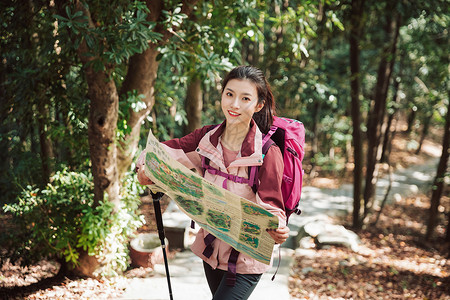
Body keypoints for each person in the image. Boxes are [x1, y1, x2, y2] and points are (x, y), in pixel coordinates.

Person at [136, 65, 290, 300]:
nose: (234, 104)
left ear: (259, 105)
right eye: (229, 94)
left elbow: (273, 206)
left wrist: (277, 228)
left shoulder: (267, 152)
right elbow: (159, 152)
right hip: (212, 252)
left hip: (246, 258)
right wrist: (144, 169)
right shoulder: (206, 139)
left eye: (245, 98)